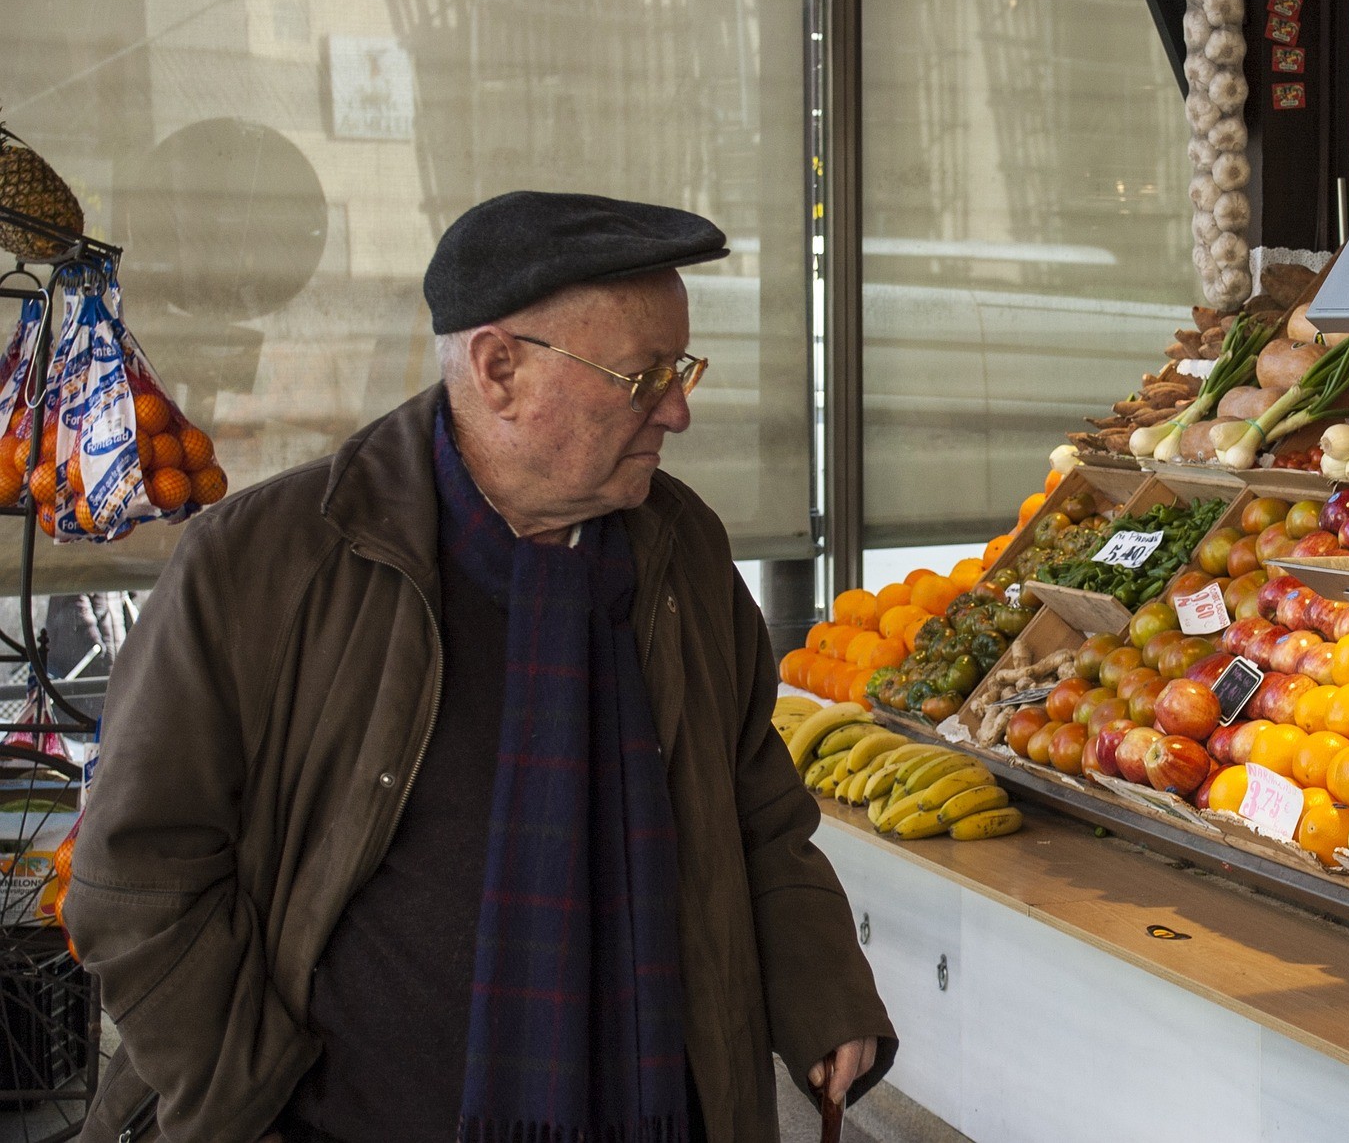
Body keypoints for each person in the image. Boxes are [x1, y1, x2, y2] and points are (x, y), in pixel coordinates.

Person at [64, 192, 896, 1143]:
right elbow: (136, 874)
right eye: (644, 376)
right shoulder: (266, 564)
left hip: (651, 1103)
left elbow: (757, 814)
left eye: (684, 367)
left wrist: (823, 991)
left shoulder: (683, 553)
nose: (678, 409)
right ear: (499, 368)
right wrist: (245, 1088)